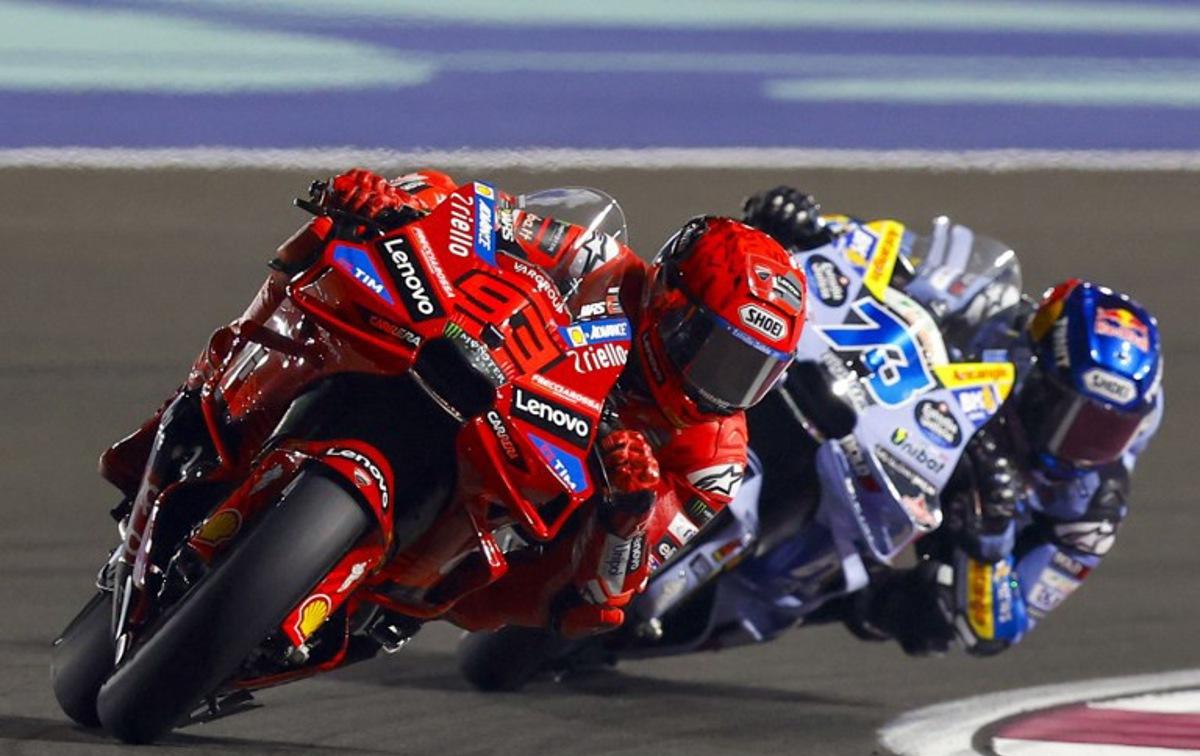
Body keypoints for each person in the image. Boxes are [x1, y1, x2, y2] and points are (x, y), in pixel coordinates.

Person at [100, 169, 811, 640]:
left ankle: (372, 592)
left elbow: (609, 591)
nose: (718, 386)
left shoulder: (714, 456)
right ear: (670, 300)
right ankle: (206, 403)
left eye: (749, 373)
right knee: (327, 245)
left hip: (513, 520)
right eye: (717, 354)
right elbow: (478, 213)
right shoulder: (603, 269)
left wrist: (627, 507)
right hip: (476, 387)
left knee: (586, 612)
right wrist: (395, 201)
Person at [742, 186, 1164, 657]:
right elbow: (884, 255)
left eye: (1106, 431)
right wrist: (814, 231)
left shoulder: (1091, 510)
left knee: (933, 613)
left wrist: (989, 538)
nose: (1081, 446)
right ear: (1040, 375)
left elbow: (1000, 630)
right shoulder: (996, 317)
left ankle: (808, 595)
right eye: (1072, 416)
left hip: (934, 520)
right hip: (879, 414)